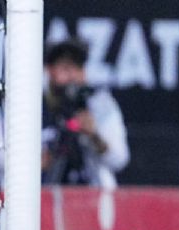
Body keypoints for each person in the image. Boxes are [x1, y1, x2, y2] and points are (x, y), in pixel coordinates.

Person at [39, 39, 129, 188]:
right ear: (49, 70)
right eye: (65, 68)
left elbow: (120, 160)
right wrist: (34, 162)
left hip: (92, 193)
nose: (72, 75)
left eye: (78, 67)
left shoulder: (100, 104)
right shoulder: (34, 106)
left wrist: (94, 136)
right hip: (45, 193)